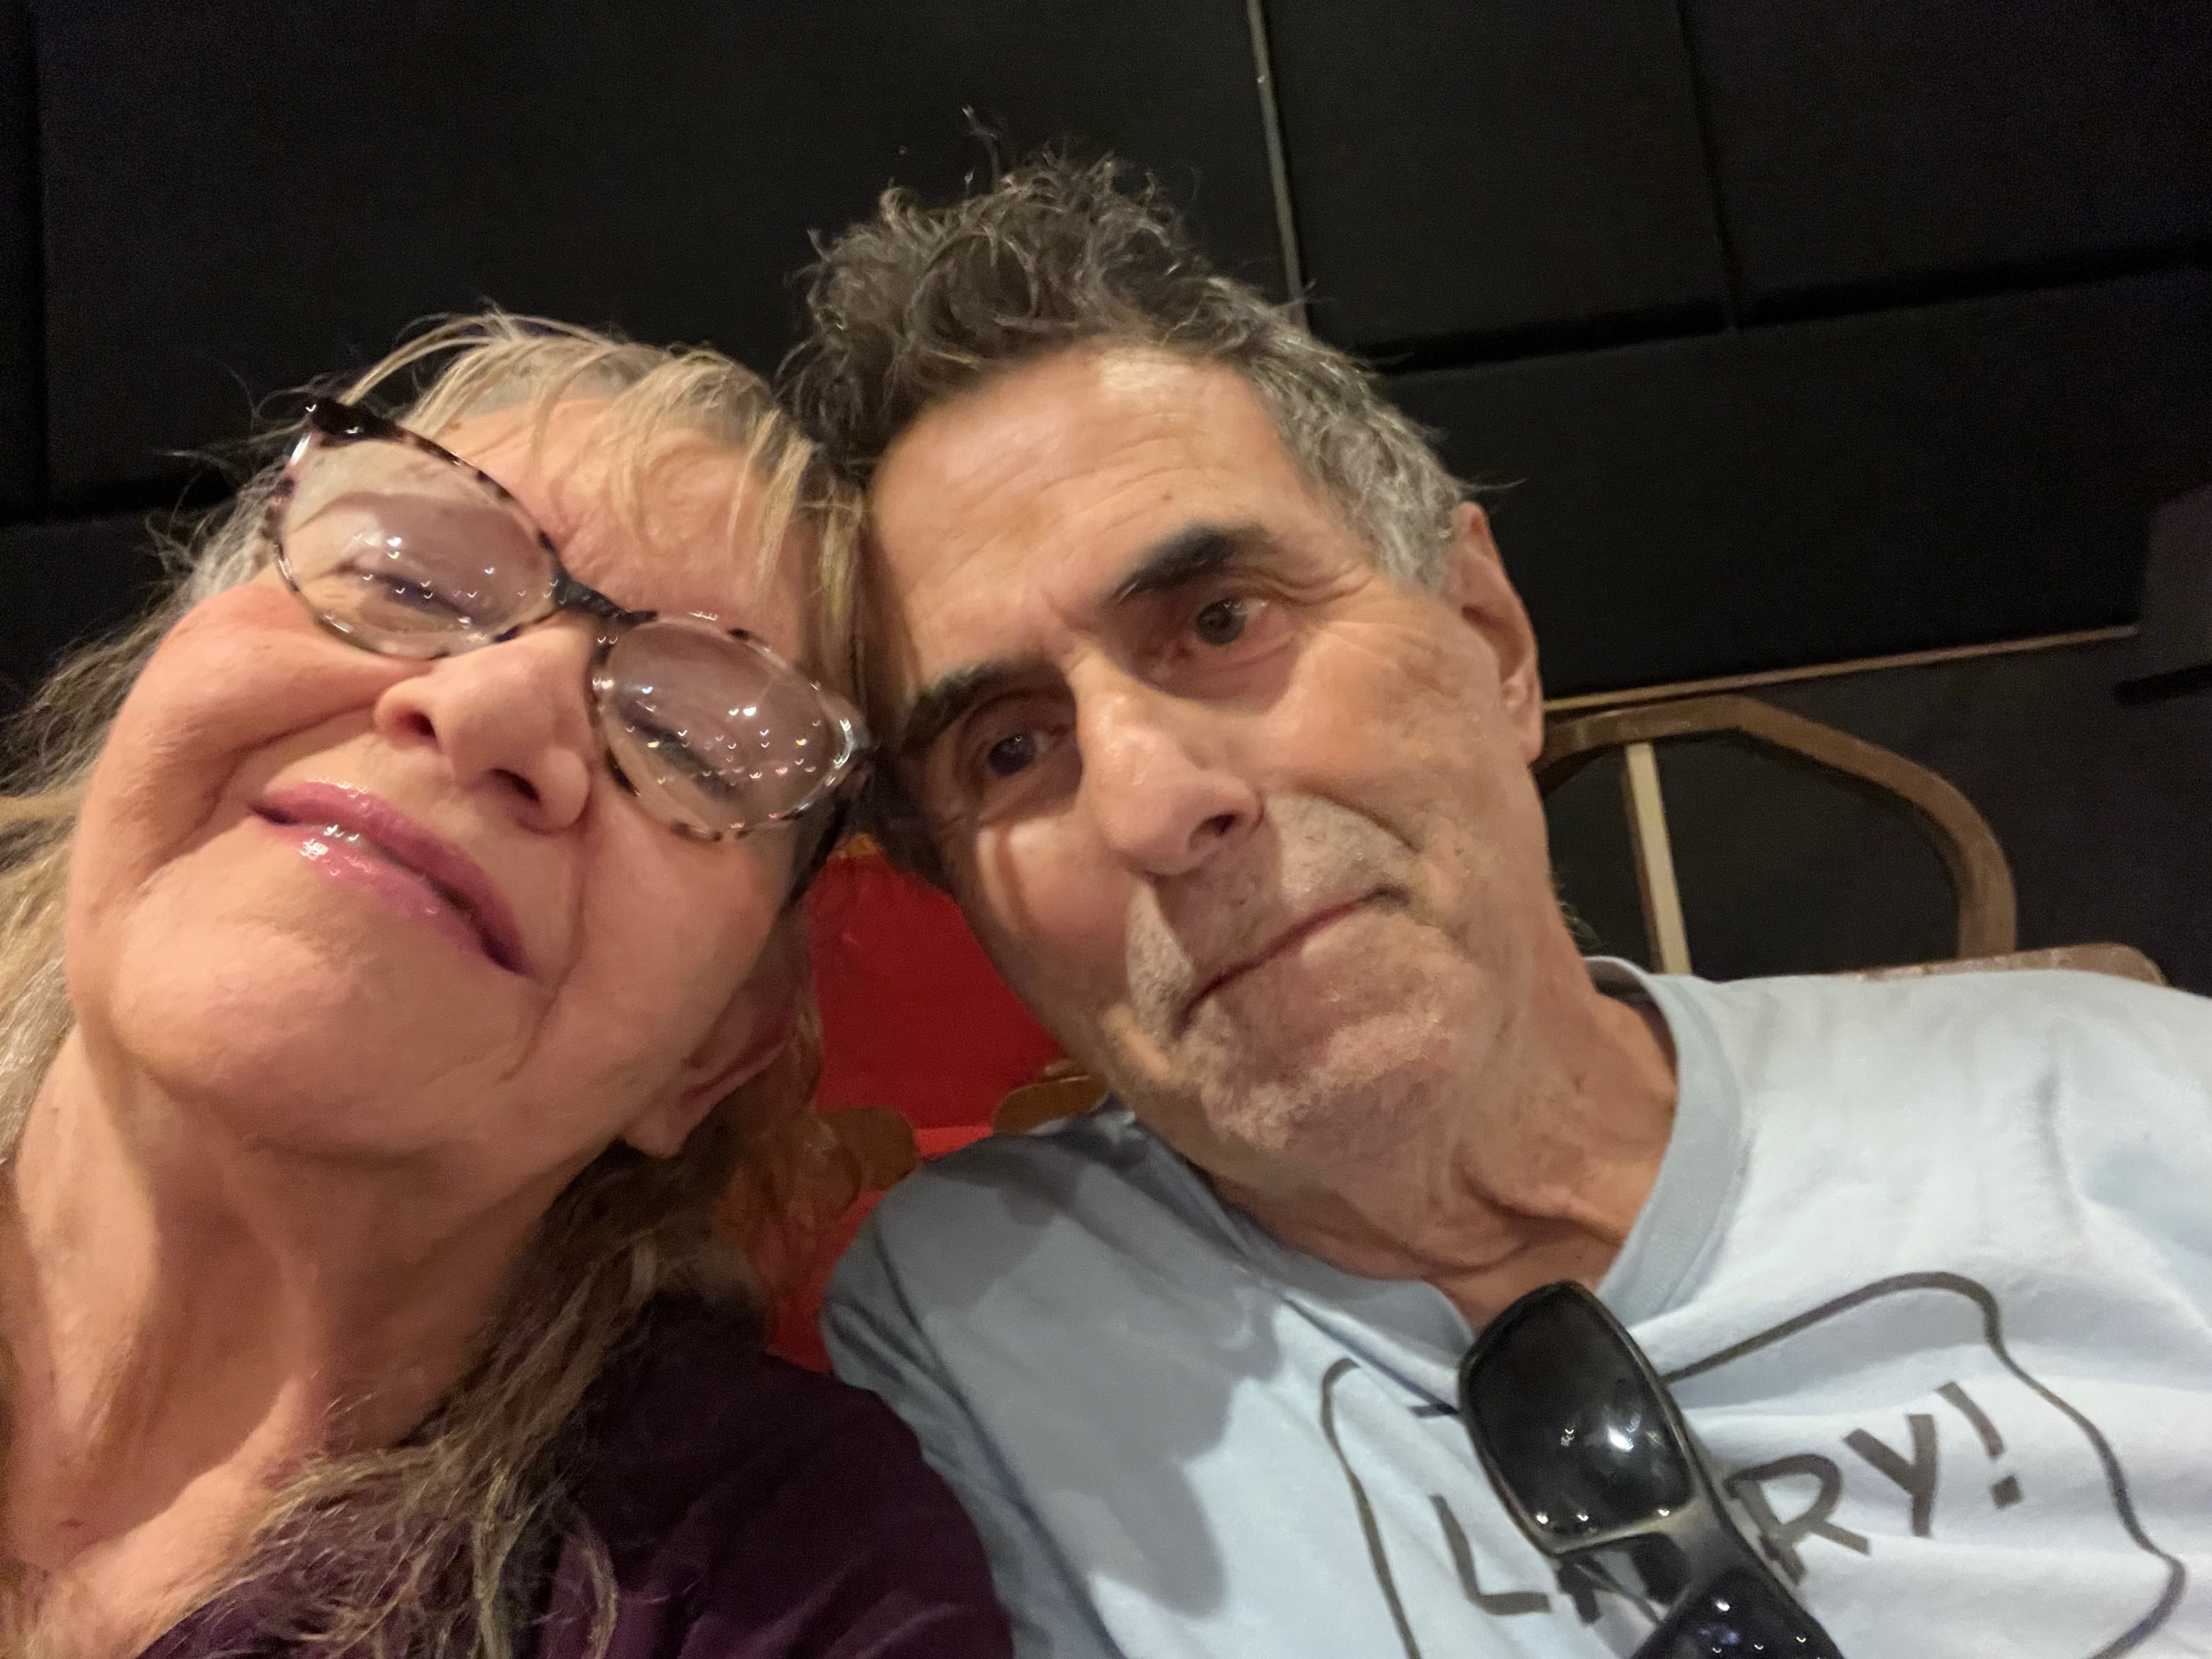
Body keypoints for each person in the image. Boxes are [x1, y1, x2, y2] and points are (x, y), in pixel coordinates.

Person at [785, 157, 2212, 1657]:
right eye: (1011, 750)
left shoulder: (2130, 1102)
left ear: (1490, 637)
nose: (1155, 803)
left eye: (1222, 620)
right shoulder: (975, 1331)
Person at [0, 314, 1012, 1659]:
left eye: (693, 742)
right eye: (404, 576)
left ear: (715, 1051)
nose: (490, 710)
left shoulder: (800, 1578)